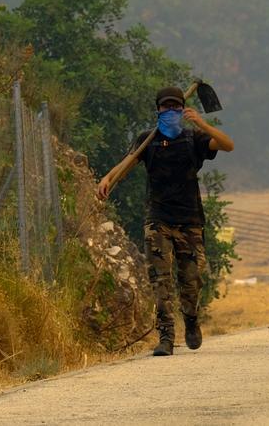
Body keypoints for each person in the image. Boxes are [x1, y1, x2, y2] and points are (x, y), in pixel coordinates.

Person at [96, 86, 235, 356]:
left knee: (191, 279)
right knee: (160, 280)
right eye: (165, 107)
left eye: (175, 107)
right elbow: (127, 163)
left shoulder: (194, 139)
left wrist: (202, 124)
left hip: (190, 222)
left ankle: (191, 319)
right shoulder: (147, 140)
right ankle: (166, 336)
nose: (170, 112)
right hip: (158, 220)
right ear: (158, 110)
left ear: (183, 110)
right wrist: (107, 179)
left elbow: (228, 145)